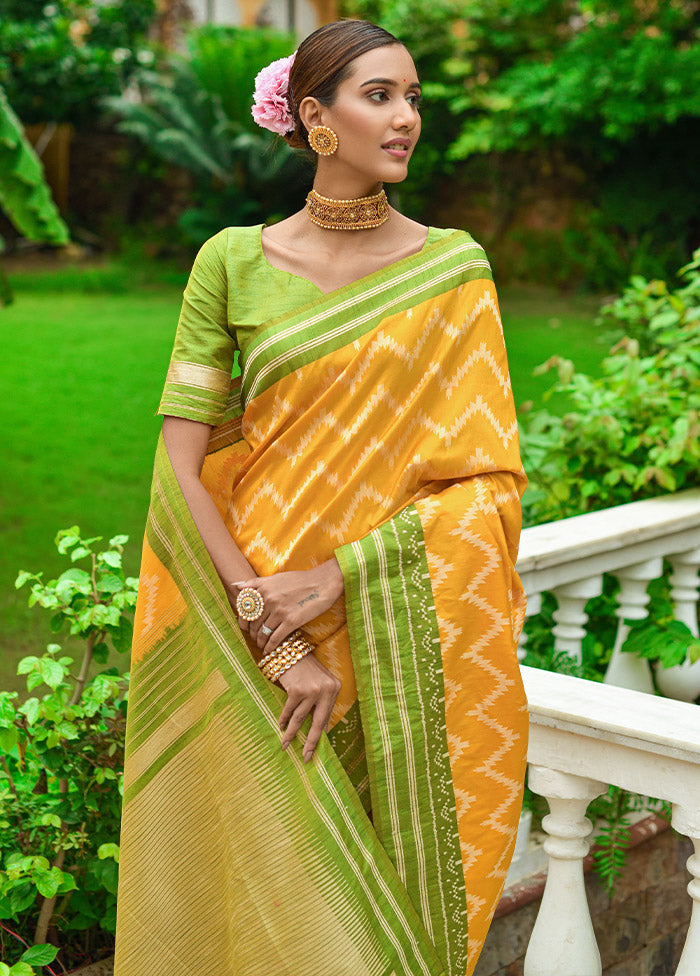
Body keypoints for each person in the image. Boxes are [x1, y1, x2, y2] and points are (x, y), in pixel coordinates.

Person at [114, 19, 529, 976]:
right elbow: (181, 468)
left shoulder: (453, 271)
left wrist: (341, 580)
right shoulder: (232, 261)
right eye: (379, 96)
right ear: (314, 117)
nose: (407, 120)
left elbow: (489, 486)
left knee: (374, 936)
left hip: (398, 648)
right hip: (251, 634)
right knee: (262, 915)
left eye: (414, 98)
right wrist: (276, 626)